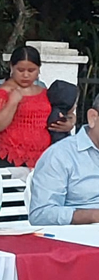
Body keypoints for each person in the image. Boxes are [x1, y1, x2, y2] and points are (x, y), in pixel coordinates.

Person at [0, 45, 72, 168]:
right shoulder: (2, 93)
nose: (26, 75)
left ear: (39, 69)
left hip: (43, 157)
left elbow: (65, 112)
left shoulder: (44, 91)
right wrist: (12, 102)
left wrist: (69, 123)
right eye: (20, 70)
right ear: (12, 67)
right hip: (10, 157)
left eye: (31, 70)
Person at [28, 93, 99, 226]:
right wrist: (92, 215)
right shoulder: (60, 155)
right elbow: (41, 214)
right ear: (93, 118)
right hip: (79, 239)